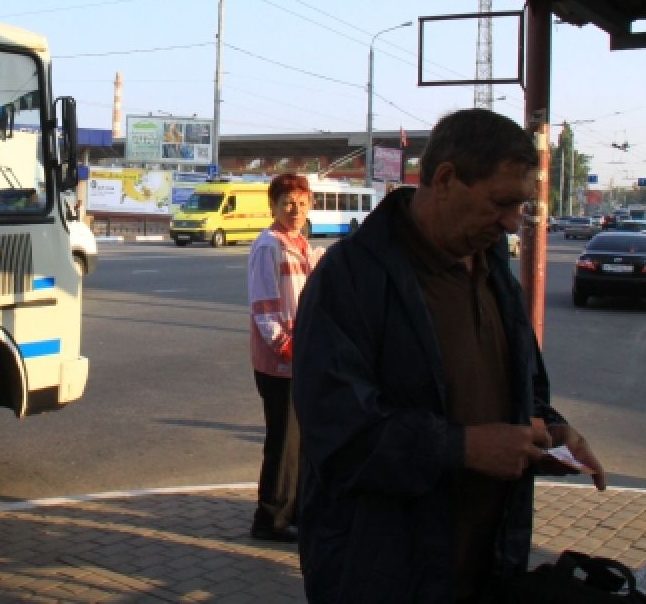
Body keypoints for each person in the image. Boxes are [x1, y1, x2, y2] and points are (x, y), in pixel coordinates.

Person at [292, 108, 606, 603]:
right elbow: (339, 430)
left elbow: (522, 385)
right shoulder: (350, 278)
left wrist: (550, 431)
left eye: (520, 206)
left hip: (487, 565)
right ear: (444, 180)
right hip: (381, 572)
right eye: (501, 203)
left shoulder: (493, 269)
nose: (511, 223)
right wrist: (464, 447)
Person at [246, 172, 324, 542]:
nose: (295, 210)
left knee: (301, 441)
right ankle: (270, 518)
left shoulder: (301, 244)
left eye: (302, 203)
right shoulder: (269, 245)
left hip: (301, 356)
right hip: (281, 361)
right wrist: (285, 347)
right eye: (287, 203)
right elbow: (264, 307)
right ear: (273, 206)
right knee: (283, 442)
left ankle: (295, 510)